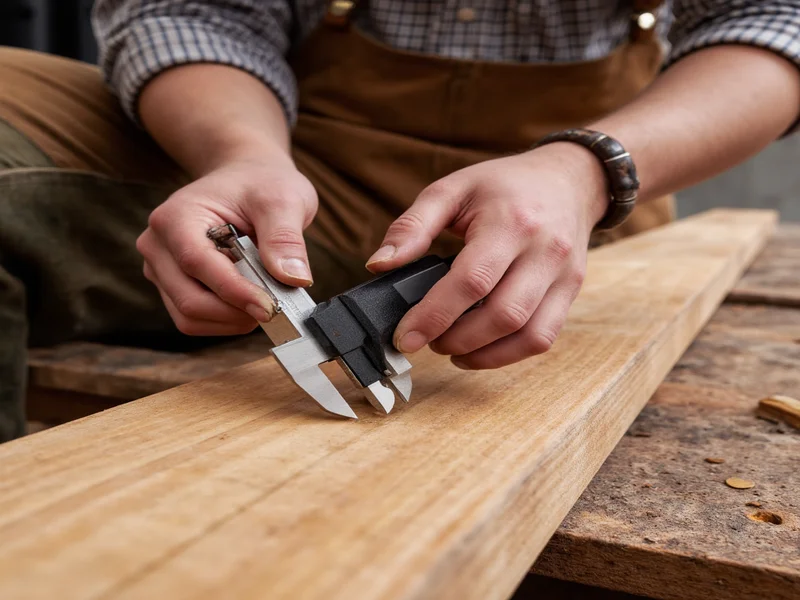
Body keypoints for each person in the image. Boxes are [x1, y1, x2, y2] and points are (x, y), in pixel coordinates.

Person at [1, 0, 799, 442]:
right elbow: (192, 11)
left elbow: (776, 17)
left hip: (581, 208)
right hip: (300, 174)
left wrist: (586, 172)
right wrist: (238, 151)